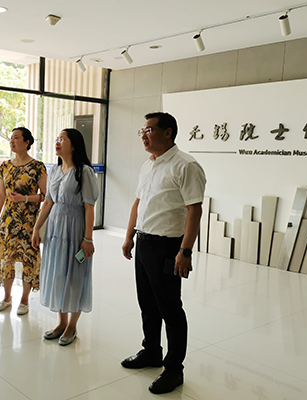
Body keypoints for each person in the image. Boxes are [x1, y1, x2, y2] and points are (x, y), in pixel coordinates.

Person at [121, 112, 206, 395]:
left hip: (168, 246)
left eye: (149, 130)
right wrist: (129, 235)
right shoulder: (149, 164)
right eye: (142, 131)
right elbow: (138, 202)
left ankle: (174, 369)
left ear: (167, 132)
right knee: (147, 303)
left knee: (170, 308)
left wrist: (185, 251)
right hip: (144, 242)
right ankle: (151, 351)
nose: (144, 135)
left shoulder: (186, 165)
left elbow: (195, 210)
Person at [32, 128, 99, 346]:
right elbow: (48, 201)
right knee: (58, 274)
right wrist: (36, 228)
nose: (58, 142)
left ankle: (72, 325)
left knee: (75, 276)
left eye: (63, 139)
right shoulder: (54, 170)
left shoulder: (84, 172)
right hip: (55, 229)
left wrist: (87, 239)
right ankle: (61, 322)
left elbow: (89, 207)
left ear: (74, 145)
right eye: (57, 138)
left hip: (75, 228)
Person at [0, 128, 47, 316]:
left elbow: (46, 196)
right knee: (7, 258)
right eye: (11, 138)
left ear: (27, 142)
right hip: (8, 220)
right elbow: (1, 194)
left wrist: (25, 198)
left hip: (29, 222)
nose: (12, 141)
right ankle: (7, 297)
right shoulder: (5, 166)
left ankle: (24, 300)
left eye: (16, 138)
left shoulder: (37, 167)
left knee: (28, 259)